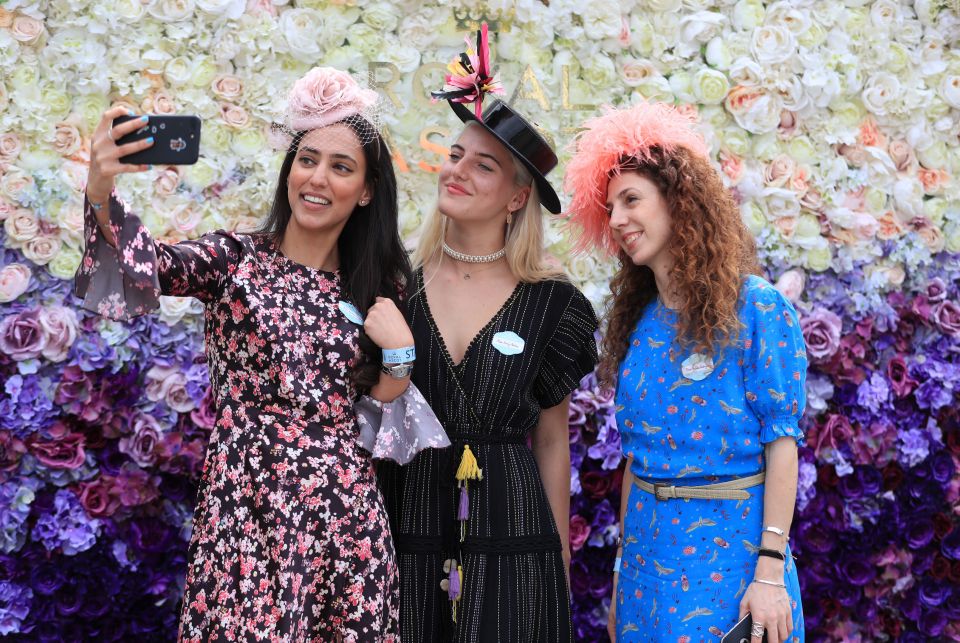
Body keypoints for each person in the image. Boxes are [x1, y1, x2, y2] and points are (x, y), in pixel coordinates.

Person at [76, 67, 448, 642]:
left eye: (341, 166)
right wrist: (101, 190)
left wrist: (400, 354)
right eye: (307, 159)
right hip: (247, 517)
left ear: (368, 189)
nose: (317, 177)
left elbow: (381, 415)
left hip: (345, 522)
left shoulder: (380, 287)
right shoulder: (235, 260)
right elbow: (150, 265)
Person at [376, 25, 599, 643]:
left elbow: (553, 443)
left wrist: (557, 564)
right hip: (407, 523)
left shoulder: (554, 303)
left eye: (484, 166)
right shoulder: (395, 286)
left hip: (515, 536)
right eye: (455, 157)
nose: (459, 172)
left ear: (516, 197)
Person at [563, 102, 806, 643]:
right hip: (647, 569)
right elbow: (635, 460)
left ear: (679, 201)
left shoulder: (756, 307)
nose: (618, 219)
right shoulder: (642, 322)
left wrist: (769, 573)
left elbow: (782, 440)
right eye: (611, 208)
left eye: (632, 200)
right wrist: (623, 576)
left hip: (734, 563)